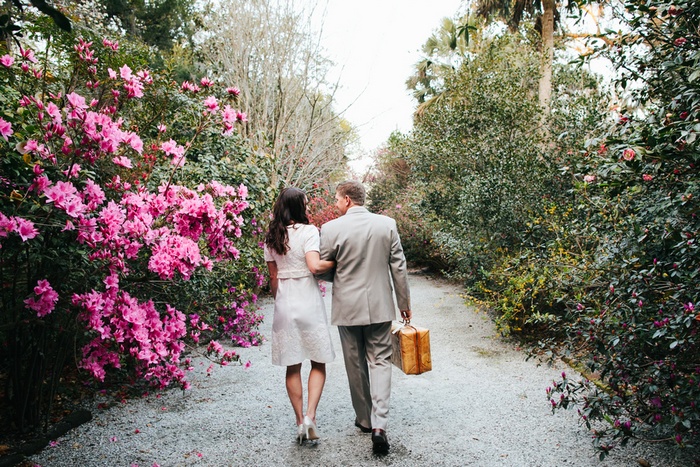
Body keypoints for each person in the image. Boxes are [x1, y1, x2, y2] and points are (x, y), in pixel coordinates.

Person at [317, 180, 411, 454]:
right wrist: (404, 303)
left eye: (336, 199)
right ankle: (380, 425)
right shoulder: (387, 224)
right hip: (381, 305)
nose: (335, 204)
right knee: (381, 361)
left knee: (355, 363)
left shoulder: (331, 228)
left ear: (347, 199)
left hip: (347, 306)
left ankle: (365, 420)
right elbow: (399, 267)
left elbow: (323, 268)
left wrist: (343, 276)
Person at [264, 187, 336, 445]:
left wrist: (280, 299)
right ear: (299, 206)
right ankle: (310, 417)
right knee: (318, 361)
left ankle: (298, 422)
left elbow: (273, 278)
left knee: (292, 364)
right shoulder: (309, 232)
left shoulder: (272, 235)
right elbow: (314, 266)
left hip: (284, 302)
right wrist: (338, 261)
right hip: (308, 300)